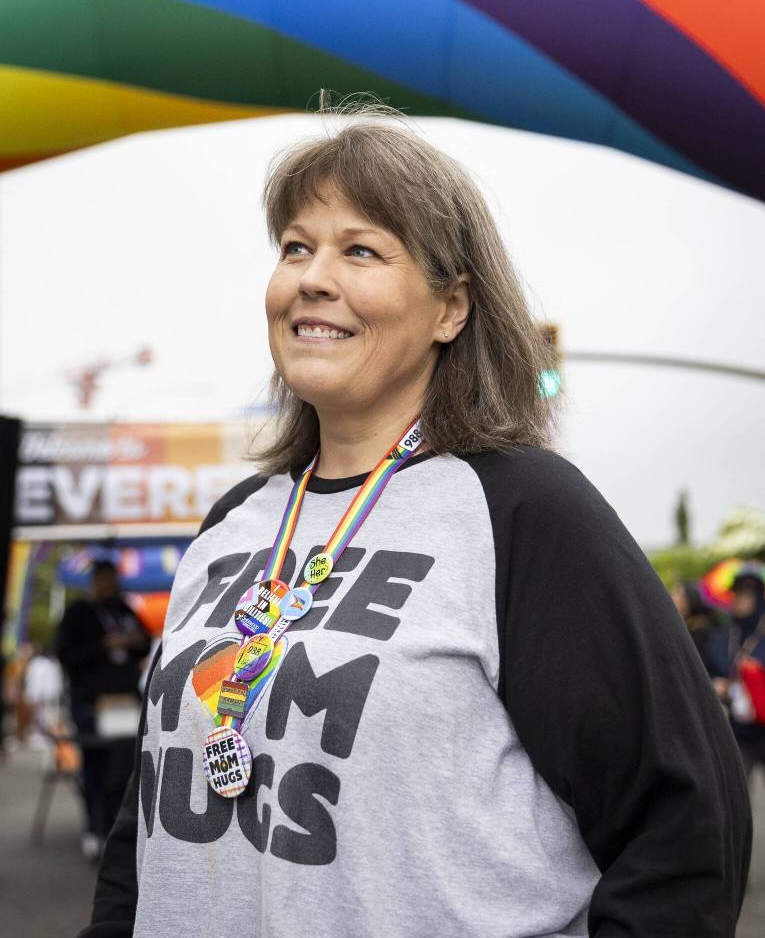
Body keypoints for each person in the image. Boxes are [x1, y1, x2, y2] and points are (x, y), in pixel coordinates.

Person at [82, 102, 750, 938]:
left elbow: (686, 826)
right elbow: (140, 836)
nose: (312, 277)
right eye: (296, 247)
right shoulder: (231, 527)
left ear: (451, 310)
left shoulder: (524, 511)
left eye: (360, 249)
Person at [56, 558, 150, 859]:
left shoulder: (124, 610)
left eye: (113, 579)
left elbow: (145, 642)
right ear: (94, 581)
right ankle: (94, 829)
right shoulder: (77, 614)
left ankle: (121, 829)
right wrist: (103, 646)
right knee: (95, 767)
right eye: (104, 579)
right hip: (91, 704)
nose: (110, 585)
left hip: (126, 703)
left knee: (127, 768)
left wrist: (134, 641)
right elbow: (66, 654)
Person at [708, 563, 765, 782]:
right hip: (739, 728)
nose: (740, 599)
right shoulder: (727, 631)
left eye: (747, 593)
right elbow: (712, 664)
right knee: (737, 787)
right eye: (737, 593)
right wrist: (717, 682)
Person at [670, 579, 717, 671]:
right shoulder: (685, 627)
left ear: (689, 600)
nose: (672, 597)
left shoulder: (700, 632)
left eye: (678, 593)